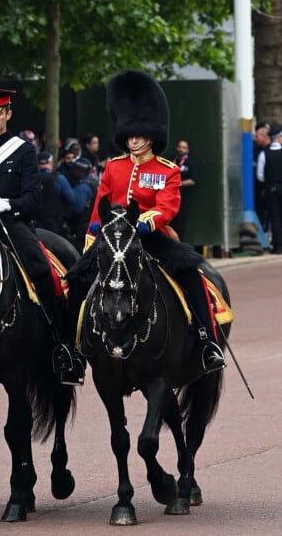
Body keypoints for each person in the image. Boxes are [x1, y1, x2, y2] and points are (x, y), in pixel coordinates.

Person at [82, 69, 226, 374]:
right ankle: (73, 347)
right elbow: (101, 202)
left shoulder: (167, 169)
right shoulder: (114, 167)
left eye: (139, 136)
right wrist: (94, 229)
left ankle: (207, 341)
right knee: (77, 281)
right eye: (130, 136)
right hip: (113, 237)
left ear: (152, 136)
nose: (133, 141)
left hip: (151, 236)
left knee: (191, 275)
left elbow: (169, 204)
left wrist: (149, 222)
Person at [0, 88, 84, 385]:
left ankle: (61, 344)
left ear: (8, 114)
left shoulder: (22, 150)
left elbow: (33, 197)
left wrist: (4, 204)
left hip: (12, 223)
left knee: (43, 271)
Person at [256, 124, 282, 253]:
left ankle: (277, 247)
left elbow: (260, 175)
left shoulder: (264, 154)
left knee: (275, 217)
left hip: (271, 188)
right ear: (278, 138)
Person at [171, 139, 198, 242]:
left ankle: (180, 244)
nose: (181, 150)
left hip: (183, 197)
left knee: (181, 223)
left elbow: (193, 180)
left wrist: (179, 184)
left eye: (184, 148)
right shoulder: (171, 161)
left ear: (187, 150)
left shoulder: (189, 163)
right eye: (180, 147)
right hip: (170, 197)